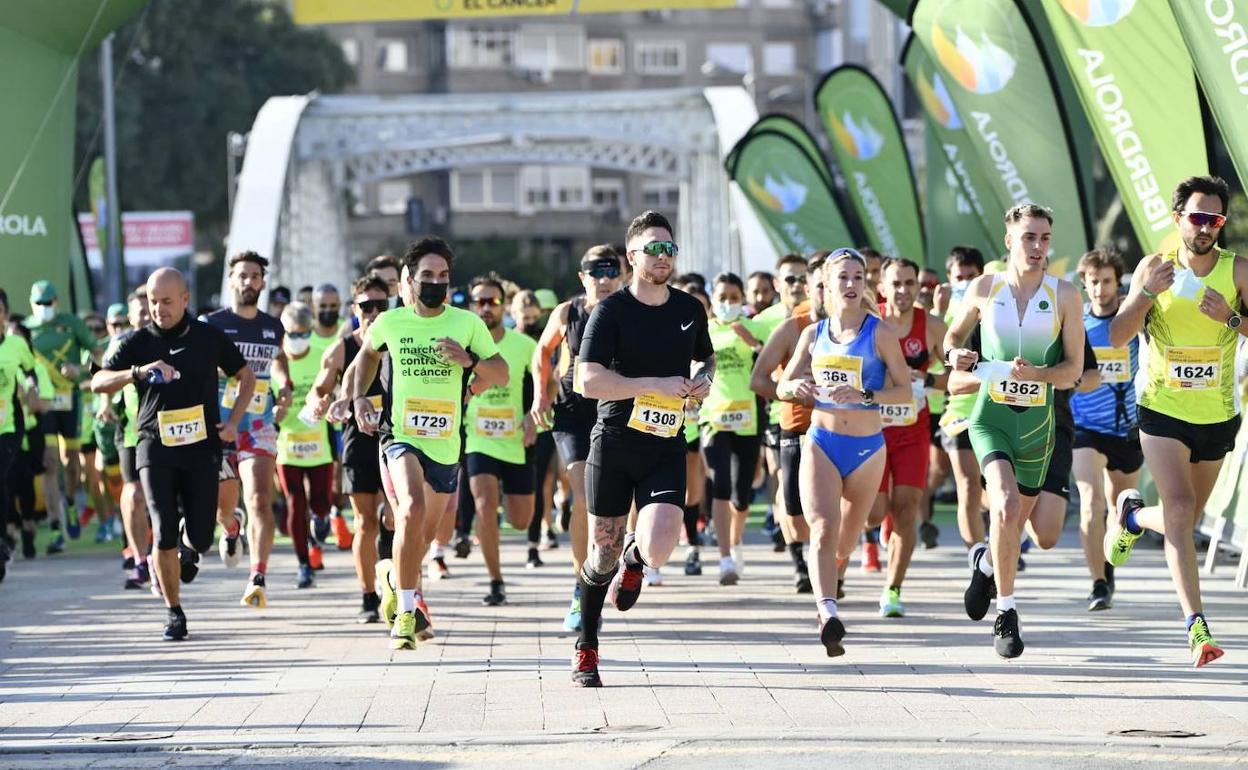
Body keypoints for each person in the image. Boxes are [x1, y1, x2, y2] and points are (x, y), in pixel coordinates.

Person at [569, 211, 714, 687]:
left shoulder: (689, 308)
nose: (662, 257)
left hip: (665, 444)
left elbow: (706, 357)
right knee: (601, 555)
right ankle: (587, 645)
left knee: (658, 546)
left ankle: (636, 561)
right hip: (614, 443)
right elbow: (587, 381)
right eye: (653, 249)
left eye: (669, 248)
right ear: (632, 256)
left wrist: (704, 379)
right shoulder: (611, 311)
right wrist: (653, 384)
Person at [1106, 175, 1244, 667]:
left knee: (1183, 519)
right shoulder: (1154, 267)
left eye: (1215, 220)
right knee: (1181, 509)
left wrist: (1231, 318)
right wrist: (1146, 293)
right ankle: (1196, 627)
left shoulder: (1238, 271)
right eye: (1197, 217)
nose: (1205, 227)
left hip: (1217, 414)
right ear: (1178, 218)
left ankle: (1132, 517)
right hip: (1162, 409)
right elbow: (1117, 336)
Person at [352, 236, 508, 650]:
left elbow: (501, 374)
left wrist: (469, 360)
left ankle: (393, 576)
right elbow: (367, 356)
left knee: (423, 535)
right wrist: (359, 400)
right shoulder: (391, 322)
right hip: (400, 435)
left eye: (443, 275)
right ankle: (406, 612)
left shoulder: (466, 324)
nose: (436, 282)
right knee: (410, 510)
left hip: (445, 442)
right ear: (409, 279)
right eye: (427, 275)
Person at [944, 204, 1084, 659]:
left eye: (1045, 238)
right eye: (1029, 237)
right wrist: (954, 356)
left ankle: (986, 565)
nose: (1038, 247)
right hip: (991, 419)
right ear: (1009, 241)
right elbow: (951, 339)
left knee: (1014, 523)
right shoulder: (986, 288)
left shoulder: (1065, 295)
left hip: (1038, 427)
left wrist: (1037, 374)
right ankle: (1006, 611)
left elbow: (1073, 371)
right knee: (1003, 504)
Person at [92, 268, 255, 640]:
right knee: (163, 529)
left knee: (200, 537)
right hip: (154, 445)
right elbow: (98, 380)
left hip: (201, 448)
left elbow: (245, 376)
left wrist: (233, 422)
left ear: (185, 299)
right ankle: (174, 612)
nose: (158, 309)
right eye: (153, 302)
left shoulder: (208, 337)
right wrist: (137, 372)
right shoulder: (137, 341)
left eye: (166, 301)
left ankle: (189, 541)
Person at [777, 248, 913, 656]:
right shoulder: (812, 334)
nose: (851, 284)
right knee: (822, 528)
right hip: (822, 441)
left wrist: (864, 394)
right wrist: (795, 387)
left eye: (858, 277)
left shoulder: (880, 333)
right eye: (843, 278)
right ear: (827, 285)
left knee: (844, 543)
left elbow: (904, 392)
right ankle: (827, 612)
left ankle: (833, 581)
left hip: (867, 450)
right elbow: (782, 385)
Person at [531, 245, 624, 631]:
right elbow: (542, 351)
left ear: (622, 275)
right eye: (595, 272)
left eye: (611, 271)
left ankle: (612, 568)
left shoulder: (631, 310)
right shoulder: (567, 312)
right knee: (585, 497)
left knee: (613, 505)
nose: (604, 279)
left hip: (616, 412)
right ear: (582, 277)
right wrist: (540, 394)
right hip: (571, 414)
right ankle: (581, 589)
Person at [205, 252, 292, 609]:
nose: (248, 282)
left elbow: (279, 359)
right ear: (231, 280)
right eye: (242, 275)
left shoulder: (273, 327)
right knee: (222, 508)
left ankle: (258, 577)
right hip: (220, 425)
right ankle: (231, 527)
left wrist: (285, 388)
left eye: (255, 276)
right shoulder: (211, 323)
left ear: (263, 282)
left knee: (259, 498)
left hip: (257, 424)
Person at [309, 275, 391, 621]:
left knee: (395, 518)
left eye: (381, 305)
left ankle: (397, 587)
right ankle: (368, 597)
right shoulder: (342, 348)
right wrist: (319, 402)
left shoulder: (400, 340)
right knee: (365, 522)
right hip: (358, 443)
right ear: (354, 309)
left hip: (395, 438)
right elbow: (319, 389)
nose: (373, 313)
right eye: (366, 306)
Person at [870, 257, 948, 618]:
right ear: (882, 288)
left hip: (913, 431)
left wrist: (928, 379)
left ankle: (893, 589)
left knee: (906, 510)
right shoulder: (868, 322)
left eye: (909, 284)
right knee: (873, 514)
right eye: (895, 284)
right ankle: (875, 531)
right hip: (870, 431)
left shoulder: (931, 327)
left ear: (918, 287)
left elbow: (960, 377)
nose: (903, 291)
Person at [750, 252, 828, 594]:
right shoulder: (791, 327)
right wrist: (792, 394)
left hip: (839, 427)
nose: (827, 292)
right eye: (819, 286)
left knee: (831, 505)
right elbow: (758, 380)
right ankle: (799, 558)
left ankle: (829, 569)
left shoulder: (859, 326)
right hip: (794, 425)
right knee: (793, 505)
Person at [1070, 248, 1140, 612]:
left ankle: (1108, 567)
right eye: (1093, 282)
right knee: (1091, 500)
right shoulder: (1076, 323)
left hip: (1128, 430)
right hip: (1085, 428)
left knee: (1119, 507)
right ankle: (1097, 583)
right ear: (1084, 284)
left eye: (1107, 281)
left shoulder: (1134, 320)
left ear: (1118, 282)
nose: (1100, 289)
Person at [463, 273, 538, 606]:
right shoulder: (462, 345)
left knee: (521, 520)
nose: (485, 307)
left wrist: (534, 413)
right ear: (471, 305)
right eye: (478, 301)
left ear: (504, 305)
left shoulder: (523, 344)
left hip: (516, 440)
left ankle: (509, 497)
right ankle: (496, 580)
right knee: (484, 504)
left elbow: (547, 383)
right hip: (477, 440)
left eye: (492, 301)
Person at [698, 272, 765, 585]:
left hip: (748, 418)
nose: (728, 303)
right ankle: (724, 557)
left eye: (734, 298)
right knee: (721, 484)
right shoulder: (703, 331)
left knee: (742, 494)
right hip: (714, 418)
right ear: (713, 300)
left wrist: (755, 344)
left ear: (743, 300)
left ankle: (735, 542)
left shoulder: (755, 327)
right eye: (722, 298)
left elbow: (773, 366)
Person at [24, 280, 100, 548]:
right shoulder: (26, 329)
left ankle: (69, 502)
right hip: (43, 404)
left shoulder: (71, 324)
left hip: (70, 400)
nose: (44, 307)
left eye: (48, 302)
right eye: (39, 303)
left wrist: (81, 369)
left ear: (56, 302)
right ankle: (56, 527)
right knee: (49, 462)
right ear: (31, 304)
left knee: (71, 463)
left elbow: (98, 353)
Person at [749, 254, 809, 556]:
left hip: (813, 414)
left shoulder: (818, 316)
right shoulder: (763, 322)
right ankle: (796, 554)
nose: (796, 285)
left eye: (802, 278)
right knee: (782, 479)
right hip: (773, 413)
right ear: (777, 284)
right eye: (790, 279)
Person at [272, 302, 335, 589]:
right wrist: (275, 412)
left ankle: (321, 521)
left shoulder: (323, 356)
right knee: (295, 504)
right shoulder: (275, 363)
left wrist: (329, 403)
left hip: (318, 442)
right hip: (288, 444)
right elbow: (263, 402)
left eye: (304, 333)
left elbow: (335, 392)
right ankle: (303, 564)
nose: (298, 339)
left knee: (321, 503)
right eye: (292, 334)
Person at [934, 247, 987, 551]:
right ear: (949, 279)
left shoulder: (999, 309)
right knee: (967, 485)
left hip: (997, 408)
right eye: (959, 277)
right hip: (958, 413)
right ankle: (977, 560)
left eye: (971, 276)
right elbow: (935, 366)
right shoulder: (946, 316)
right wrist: (938, 313)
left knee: (993, 488)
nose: (965, 282)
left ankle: (1003, 540)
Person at [0, 289, 40, 576]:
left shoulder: (16, 344)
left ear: (5, 314)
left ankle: (3, 538)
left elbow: (30, 368)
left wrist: (32, 383)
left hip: (9, 425)